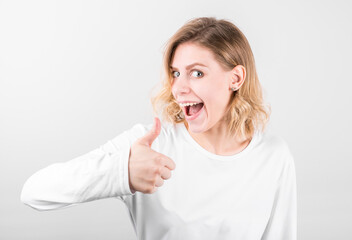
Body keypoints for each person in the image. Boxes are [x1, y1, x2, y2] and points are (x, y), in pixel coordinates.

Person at [21, 17, 297, 240]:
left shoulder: (273, 156)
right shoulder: (148, 147)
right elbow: (35, 191)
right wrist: (121, 172)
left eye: (197, 73)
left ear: (235, 78)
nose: (179, 87)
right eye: (176, 73)